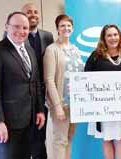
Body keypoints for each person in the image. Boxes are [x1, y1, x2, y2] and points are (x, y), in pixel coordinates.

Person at [0, 12, 45, 159]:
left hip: (29, 121)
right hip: (7, 123)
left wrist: (40, 110)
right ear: (6, 27)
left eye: (25, 28)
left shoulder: (29, 50)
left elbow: (35, 82)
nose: (21, 31)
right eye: (16, 26)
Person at [85, 24, 121, 159]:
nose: (113, 38)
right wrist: (76, 87)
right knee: (107, 139)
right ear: (104, 38)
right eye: (109, 35)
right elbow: (85, 78)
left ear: (120, 37)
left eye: (115, 35)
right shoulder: (96, 56)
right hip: (103, 107)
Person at [43, 14, 84, 159]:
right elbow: (49, 79)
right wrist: (57, 105)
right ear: (57, 29)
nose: (66, 28)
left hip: (75, 104)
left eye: (68, 26)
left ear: (72, 29)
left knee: (69, 138)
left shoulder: (75, 50)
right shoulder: (51, 50)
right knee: (60, 140)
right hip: (61, 103)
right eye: (62, 26)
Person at [21, 3, 54, 159]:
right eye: (28, 12)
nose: (33, 15)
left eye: (35, 12)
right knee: (28, 134)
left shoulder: (47, 36)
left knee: (42, 132)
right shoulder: (16, 35)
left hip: (44, 92)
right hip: (24, 94)